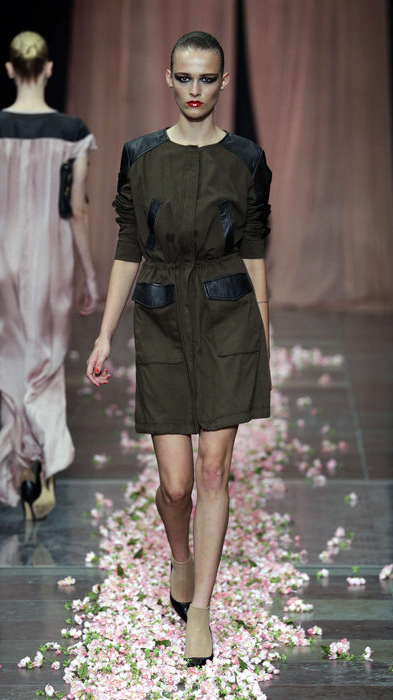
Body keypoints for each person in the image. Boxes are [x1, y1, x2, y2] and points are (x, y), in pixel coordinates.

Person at [86, 31, 271, 666]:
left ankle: (200, 611)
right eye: (185, 77)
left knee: (214, 470)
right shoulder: (140, 155)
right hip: (162, 314)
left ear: (223, 82)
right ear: (169, 79)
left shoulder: (246, 157)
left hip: (228, 316)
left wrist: (264, 333)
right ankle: (181, 556)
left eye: (207, 78)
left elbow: (253, 248)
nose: (196, 90)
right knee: (175, 484)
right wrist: (105, 334)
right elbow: (128, 246)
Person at [0, 31, 98, 520]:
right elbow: (76, 209)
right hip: (51, 258)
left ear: (10, 69)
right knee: (44, 362)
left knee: (10, 360)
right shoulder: (72, 132)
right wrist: (90, 273)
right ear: (48, 68)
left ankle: (23, 463)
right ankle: (41, 462)